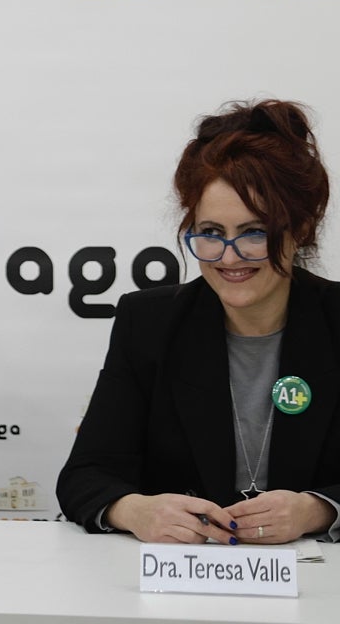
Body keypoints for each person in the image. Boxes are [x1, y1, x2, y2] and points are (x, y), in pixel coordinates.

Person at [57, 99, 340, 545]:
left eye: (253, 233)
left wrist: (318, 509)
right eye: (211, 234)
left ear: (300, 228)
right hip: (178, 586)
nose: (230, 257)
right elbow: (86, 475)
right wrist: (136, 510)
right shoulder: (147, 322)